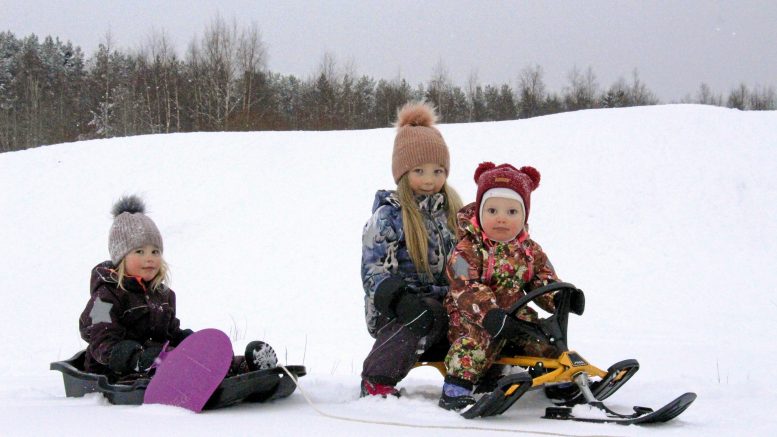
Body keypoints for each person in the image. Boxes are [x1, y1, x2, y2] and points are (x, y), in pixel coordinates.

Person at [79, 195, 277, 382]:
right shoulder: (104, 298)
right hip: (118, 371)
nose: (150, 258)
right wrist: (134, 358)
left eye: (155, 251)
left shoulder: (162, 295)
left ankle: (244, 367)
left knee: (191, 357)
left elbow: (170, 332)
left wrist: (191, 342)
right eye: (140, 251)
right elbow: (101, 339)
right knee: (177, 366)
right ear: (120, 257)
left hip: (160, 361)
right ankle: (206, 378)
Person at [439, 162, 584, 410]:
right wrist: (490, 314)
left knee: (543, 339)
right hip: (472, 317)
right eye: (492, 210)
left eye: (512, 212)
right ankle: (456, 387)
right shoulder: (467, 249)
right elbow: (464, 286)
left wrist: (560, 298)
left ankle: (560, 379)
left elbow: (543, 278)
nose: (501, 219)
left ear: (524, 216)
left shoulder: (530, 250)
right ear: (479, 212)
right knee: (473, 345)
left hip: (515, 313)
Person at [360, 102, 464, 397]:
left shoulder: (455, 215)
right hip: (398, 312)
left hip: (445, 310)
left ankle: (486, 375)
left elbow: (463, 265)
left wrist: (471, 292)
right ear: (403, 173)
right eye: (419, 170)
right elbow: (373, 272)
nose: (430, 179)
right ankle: (376, 378)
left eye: (438, 170)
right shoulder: (388, 217)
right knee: (426, 314)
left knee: (476, 315)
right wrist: (399, 298)